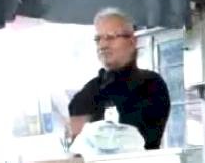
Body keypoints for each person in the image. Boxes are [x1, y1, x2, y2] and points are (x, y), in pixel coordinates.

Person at [68, 8, 171, 150]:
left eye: (110, 37)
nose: (102, 45)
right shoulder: (89, 91)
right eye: (98, 39)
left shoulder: (150, 84)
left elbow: (138, 140)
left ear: (132, 41)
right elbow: (76, 143)